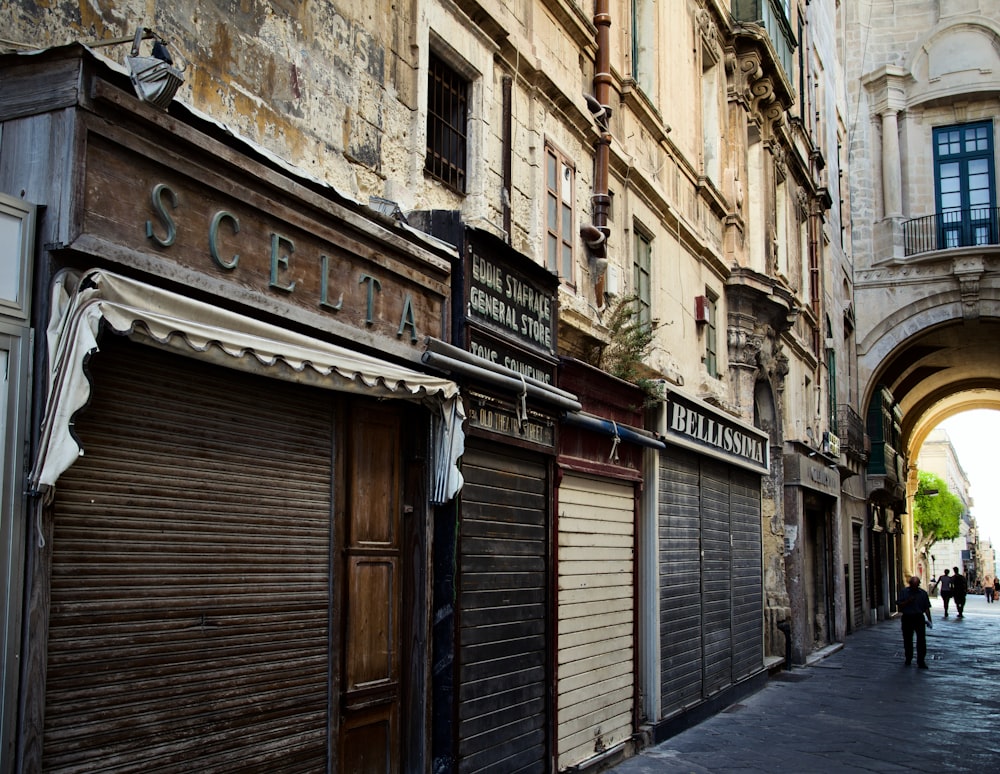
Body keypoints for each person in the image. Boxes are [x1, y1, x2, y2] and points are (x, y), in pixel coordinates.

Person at [896, 575, 932, 668]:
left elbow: (927, 608)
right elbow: (899, 605)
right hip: (907, 617)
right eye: (913, 585)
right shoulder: (904, 592)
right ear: (910, 584)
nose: (915, 587)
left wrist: (929, 620)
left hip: (919, 618)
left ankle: (921, 660)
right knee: (907, 639)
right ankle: (908, 658)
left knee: (921, 640)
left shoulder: (923, 593)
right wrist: (908, 601)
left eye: (916, 585)